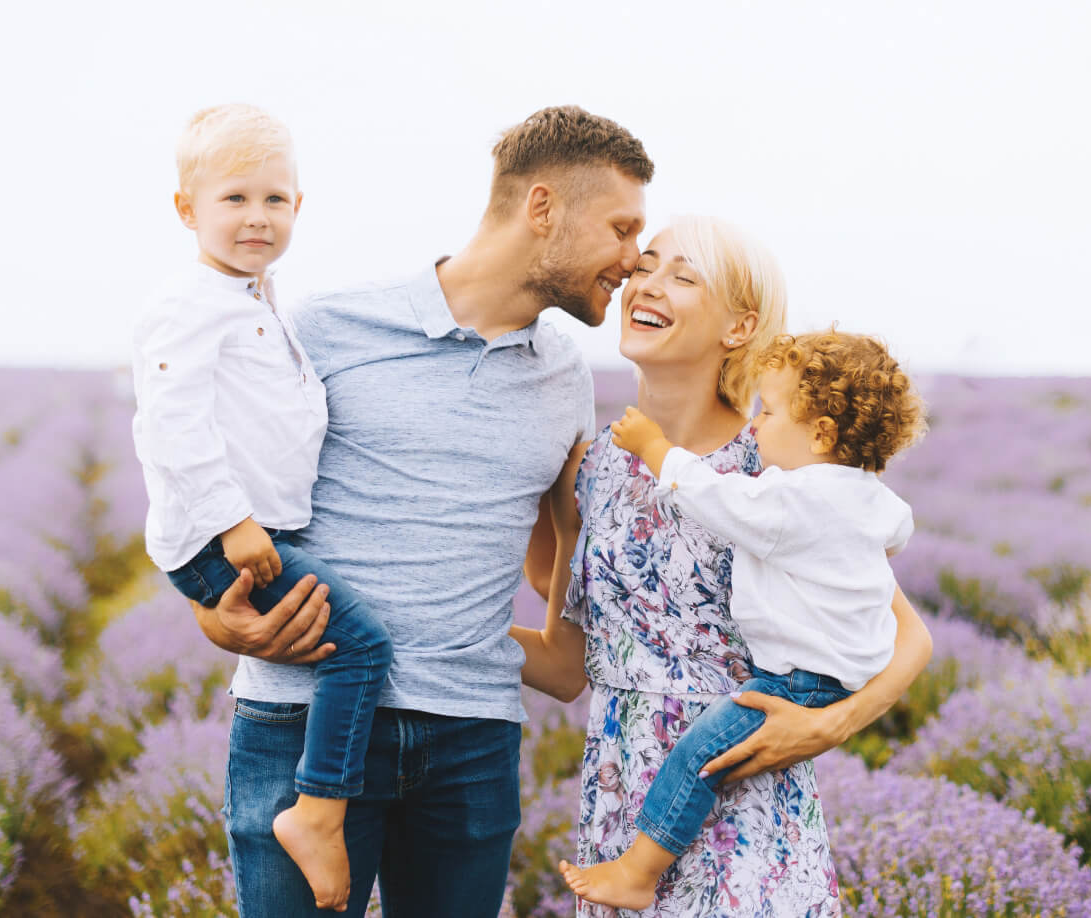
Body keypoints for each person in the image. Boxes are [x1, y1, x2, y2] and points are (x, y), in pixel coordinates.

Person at [188, 105, 654, 917]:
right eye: (621, 227)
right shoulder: (327, 328)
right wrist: (217, 620)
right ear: (542, 207)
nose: (634, 257)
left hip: (470, 740)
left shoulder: (565, 378)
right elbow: (213, 496)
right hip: (303, 722)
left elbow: (559, 561)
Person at [513, 217, 933, 915]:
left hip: (743, 790)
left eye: (682, 276)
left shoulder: (772, 462)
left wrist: (832, 723)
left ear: (739, 328)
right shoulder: (587, 469)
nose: (646, 284)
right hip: (624, 799)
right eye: (645, 266)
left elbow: (909, 637)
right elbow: (564, 664)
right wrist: (426, 632)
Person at [131, 103, 392, 911]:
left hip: (256, 529)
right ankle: (316, 812)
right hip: (224, 537)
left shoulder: (257, 300)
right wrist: (234, 519)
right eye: (235, 199)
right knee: (362, 648)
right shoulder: (190, 303)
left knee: (340, 648)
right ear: (187, 210)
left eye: (275, 199)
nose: (258, 217)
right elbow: (168, 425)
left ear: (299, 208)